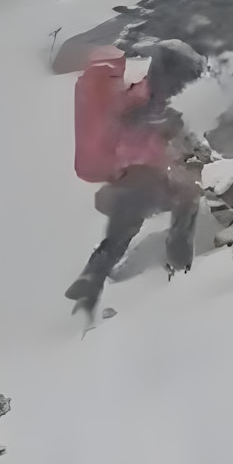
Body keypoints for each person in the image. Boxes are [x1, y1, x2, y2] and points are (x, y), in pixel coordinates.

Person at [66, 40, 211, 316]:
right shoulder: (154, 100)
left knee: (125, 227)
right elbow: (157, 133)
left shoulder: (136, 93)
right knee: (188, 197)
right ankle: (181, 267)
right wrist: (187, 148)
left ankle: (92, 276)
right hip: (142, 171)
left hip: (126, 174)